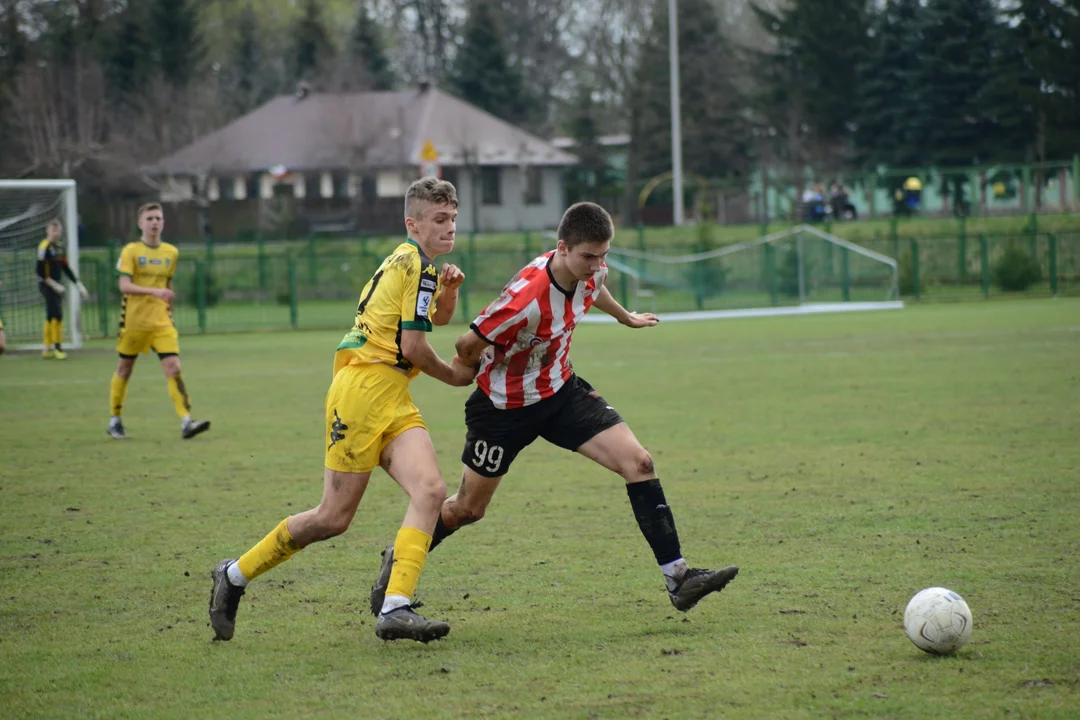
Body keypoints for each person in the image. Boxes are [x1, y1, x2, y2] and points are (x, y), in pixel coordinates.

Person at [368, 201, 740, 620]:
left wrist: (625, 317)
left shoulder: (591, 269)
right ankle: (399, 557)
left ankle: (679, 577)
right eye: (588, 256)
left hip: (562, 394)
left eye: (604, 255)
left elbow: (593, 287)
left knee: (639, 461)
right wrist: (467, 374)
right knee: (468, 510)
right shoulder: (524, 298)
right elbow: (467, 344)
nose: (597, 265)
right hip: (502, 410)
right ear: (562, 248)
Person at [208, 177, 476, 644]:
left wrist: (450, 289)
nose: (449, 227)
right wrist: (455, 376)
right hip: (361, 394)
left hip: (390, 396)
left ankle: (395, 607)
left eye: (453, 218)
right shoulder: (415, 264)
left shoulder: (419, 264)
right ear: (412, 223)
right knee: (332, 518)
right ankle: (233, 575)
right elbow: (414, 346)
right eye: (439, 219)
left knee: (431, 491)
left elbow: (435, 319)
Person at [108, 203, 211, 440]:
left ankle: (186, 421)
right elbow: (123, 286)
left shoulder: (170, 253)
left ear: (163, 222)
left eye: (158, 218)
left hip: (161, 322)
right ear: (140, 223)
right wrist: (154, 293)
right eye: (150, 218)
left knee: (173, 367)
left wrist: (169, 306)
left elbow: (167, 285)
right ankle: (115, 419)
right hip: (133, 322)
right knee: (125, 368)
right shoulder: (130, 251)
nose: (154, 222)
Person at [37, 218, 90, 359]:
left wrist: (78, 284)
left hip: (57, 285)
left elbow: (65, 268)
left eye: (58, 230)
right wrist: (53, 284)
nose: (56, 233)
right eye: (53, 230)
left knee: (50, 314)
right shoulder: (44, 246)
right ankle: (57, 348)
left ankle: (46, 348)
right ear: (47, 231)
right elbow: (40, 271)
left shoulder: (60, 247)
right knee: (57, 313)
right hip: (46, 284)